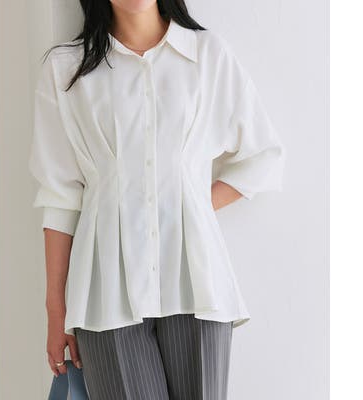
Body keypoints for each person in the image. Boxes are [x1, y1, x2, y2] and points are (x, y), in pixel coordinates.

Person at [28, 0, 286, 398]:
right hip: (104, 293)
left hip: (198, 285)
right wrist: (55, 310)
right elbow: (61, 196)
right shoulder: (66, 69)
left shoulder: (208, 55)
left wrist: (190, 204)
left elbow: (263, 157)